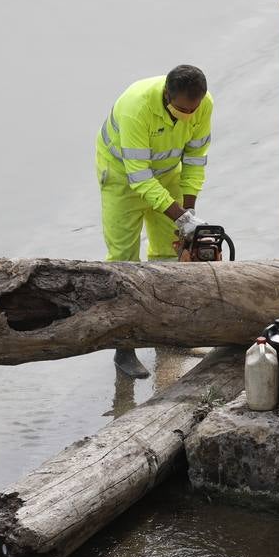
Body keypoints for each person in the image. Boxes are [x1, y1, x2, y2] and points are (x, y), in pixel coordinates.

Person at [96, 64, 214, 378]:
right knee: (123, 262)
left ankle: (168, 337)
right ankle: (125, 349)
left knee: (170, 255)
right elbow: (139, 178)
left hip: (167, 174)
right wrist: (181, 217)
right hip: (123, 177)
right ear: (166, 96)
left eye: (194, 109)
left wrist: (188, 218)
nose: (189, 116)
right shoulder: (138, 107)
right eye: (182, 110)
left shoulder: (203, 104)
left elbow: (194, 160)